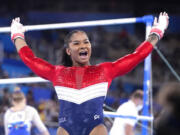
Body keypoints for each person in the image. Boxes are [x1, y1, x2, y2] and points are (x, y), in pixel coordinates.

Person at [9, 12, 169, 135]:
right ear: (68, 51)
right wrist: (17, 36)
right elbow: (30, 59)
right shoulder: (58, 73)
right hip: (66, 130)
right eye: (76, 43)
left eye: (86, 42)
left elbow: (137, 55)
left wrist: (157, 31)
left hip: (96, 128)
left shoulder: (105, 70)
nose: (83, 45)